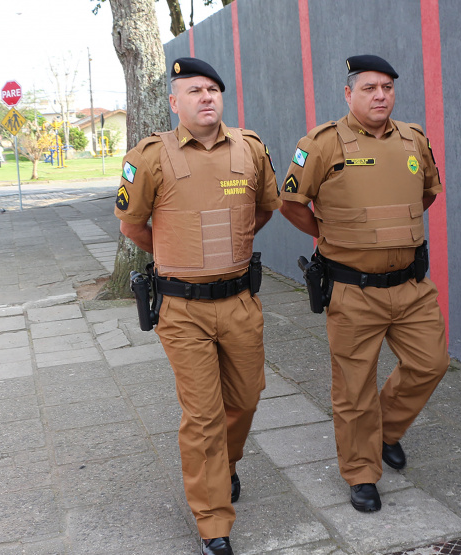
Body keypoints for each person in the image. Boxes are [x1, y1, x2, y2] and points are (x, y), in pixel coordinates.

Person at [114, 57, 281, 555]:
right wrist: (177, 256)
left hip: (239, 301)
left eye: (213, 89)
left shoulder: (250, 149)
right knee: (203, 415)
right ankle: (213, 522)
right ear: (174, 102)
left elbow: (265, 209)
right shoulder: (149, 156)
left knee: (246, 399)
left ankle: (224, 465)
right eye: (194, 91)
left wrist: (229, 249)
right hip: (182, 309)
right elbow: (132, 226)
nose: (206, 97)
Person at [279, 54, 450, 513]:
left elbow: (428, 193)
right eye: (370, 87)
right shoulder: (320, 144)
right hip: (352, 290)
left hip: (412, 287)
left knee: (430, 364)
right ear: (348, 93)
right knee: (353, 388)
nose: (380, 95)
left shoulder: (413, 139)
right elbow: (292, 203)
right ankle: (360, 472)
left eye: (388, 88)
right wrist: (331, 235)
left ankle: (386, 431)